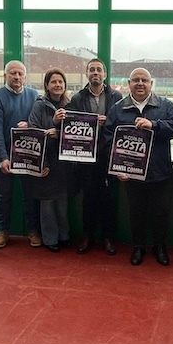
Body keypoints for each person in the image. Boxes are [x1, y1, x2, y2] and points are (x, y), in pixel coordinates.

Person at [104, 68, 173, 266]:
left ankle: (160, 247)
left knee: (161, 214)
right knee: (136, 213)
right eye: (136, 80)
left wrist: (154, 125)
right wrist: (117, 168)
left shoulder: (165, 105)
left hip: (160, 172)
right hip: (131, 175)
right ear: (129, 84)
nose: (140, 83)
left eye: (144, 80)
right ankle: (138, 247)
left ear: (151, 84)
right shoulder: (117, 108)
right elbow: (107, 140)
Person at [67, 58, 122, 255]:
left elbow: (123, 123)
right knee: (88, 200)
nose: (95, 73)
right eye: (92, 70)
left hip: (108, 155)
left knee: (109, 199)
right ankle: (87, 237)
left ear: (105, 75)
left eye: (99, 69)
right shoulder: (77, 98)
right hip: (86, 158)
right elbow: (71, 125)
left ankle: (108, 238)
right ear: (87, 74)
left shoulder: (117, 96)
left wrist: (108, 122)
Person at [0, 60, 41, 249]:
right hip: (5, 157)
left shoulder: (34, 95)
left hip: (27, 156)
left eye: (20, 74)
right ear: (5, 76)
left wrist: (29, 124)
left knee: (30, 196)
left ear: (25, 77)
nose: (16, 77)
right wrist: (2, 157)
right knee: (5, 197)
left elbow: (38, 123)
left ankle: (33, 231)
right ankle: (3, 231)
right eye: (12, 73)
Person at [28, 68, 74, 252]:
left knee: (62, 203)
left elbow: (74, 134)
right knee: (47, 204)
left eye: (61, 82)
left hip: (63, 164)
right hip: (45, 162)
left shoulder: (71, 104)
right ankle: (50, 239)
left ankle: (64, 236)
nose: (57, 85)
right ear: (47, 85)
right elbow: (33, 131)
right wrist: (53, 123)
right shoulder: (39, 105)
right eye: (53, 82)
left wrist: (59, 131)